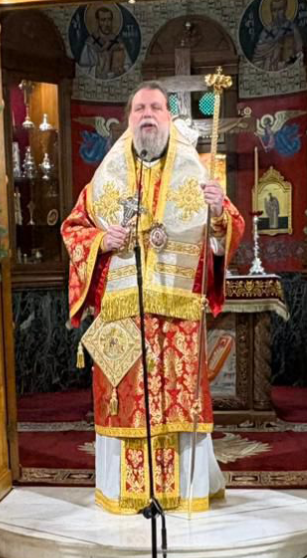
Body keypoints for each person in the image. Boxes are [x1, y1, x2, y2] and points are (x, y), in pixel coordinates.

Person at [61, 82, 244, 514]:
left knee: (177, 405)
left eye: (156, 107)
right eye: (140, 107)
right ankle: (127, 493)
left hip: (177, 318)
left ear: (168, 116)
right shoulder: (104, 179)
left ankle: (183, 493)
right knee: (127, 406)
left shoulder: (196, 174)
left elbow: (224, 236)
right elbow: (73, 230)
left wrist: (218, 212)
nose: (147, 114)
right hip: (123, 318)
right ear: (129, 119)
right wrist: (103, 241)